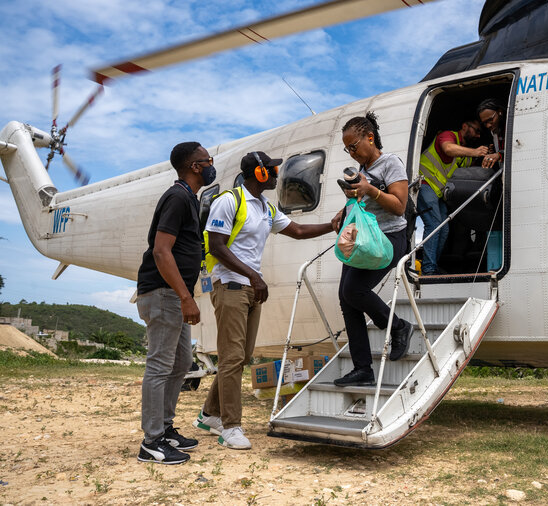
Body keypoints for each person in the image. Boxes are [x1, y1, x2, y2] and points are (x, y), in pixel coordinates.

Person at [193, 151, 333, 450]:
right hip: (230, 286)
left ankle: (209, 414)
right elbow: (216, 246)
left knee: (240, 357)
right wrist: (253, 276)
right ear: (258, 173)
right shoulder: (229, 201)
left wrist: (333, 225)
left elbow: (297, 230)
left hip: (251, 288)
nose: (276, 175)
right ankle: (231, 427)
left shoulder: (264, 207)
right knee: (232, 358)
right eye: (271, 170)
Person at [135, 141, 216, 465]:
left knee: (181, 363)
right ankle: (151, 442)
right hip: (164, 293)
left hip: (174, 295)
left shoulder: (188, 199)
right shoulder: (178, 197)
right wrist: (185, 296)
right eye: (208, 160)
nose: (211, 165)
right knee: (159, 365)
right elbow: (160, 250)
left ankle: (165, 429)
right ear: (195, 166)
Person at [331, 112, 414, 387]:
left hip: (389, 239)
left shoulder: (390, 163)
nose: (352, 153)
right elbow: (363, 202)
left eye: (354, 146)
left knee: (354, 290)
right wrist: (343, 211)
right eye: (348, 149)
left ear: (370, 137)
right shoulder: (362, 172)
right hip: (364, 239)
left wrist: (370, 189)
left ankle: (398, 327)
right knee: (346, 299)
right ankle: (363, 369)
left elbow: (399, 206)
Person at [417, 119, 489, 275]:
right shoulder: (448, 136)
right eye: (476, 130)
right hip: (425, 183)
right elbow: (448, 149)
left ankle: (432, 265)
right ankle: (428, 269)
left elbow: (469, 171)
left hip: (438, 192)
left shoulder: (464, 154)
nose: (477, 135)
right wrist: (475, 152)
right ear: (464, 126)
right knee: (434, 224)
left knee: (443, 229)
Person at [476, 98, 506, 272]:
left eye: (490, 119)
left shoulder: (509, 126)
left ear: (500, 112)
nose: (488, 125)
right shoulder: (493, 132)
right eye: (484, 123)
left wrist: (499, 155)